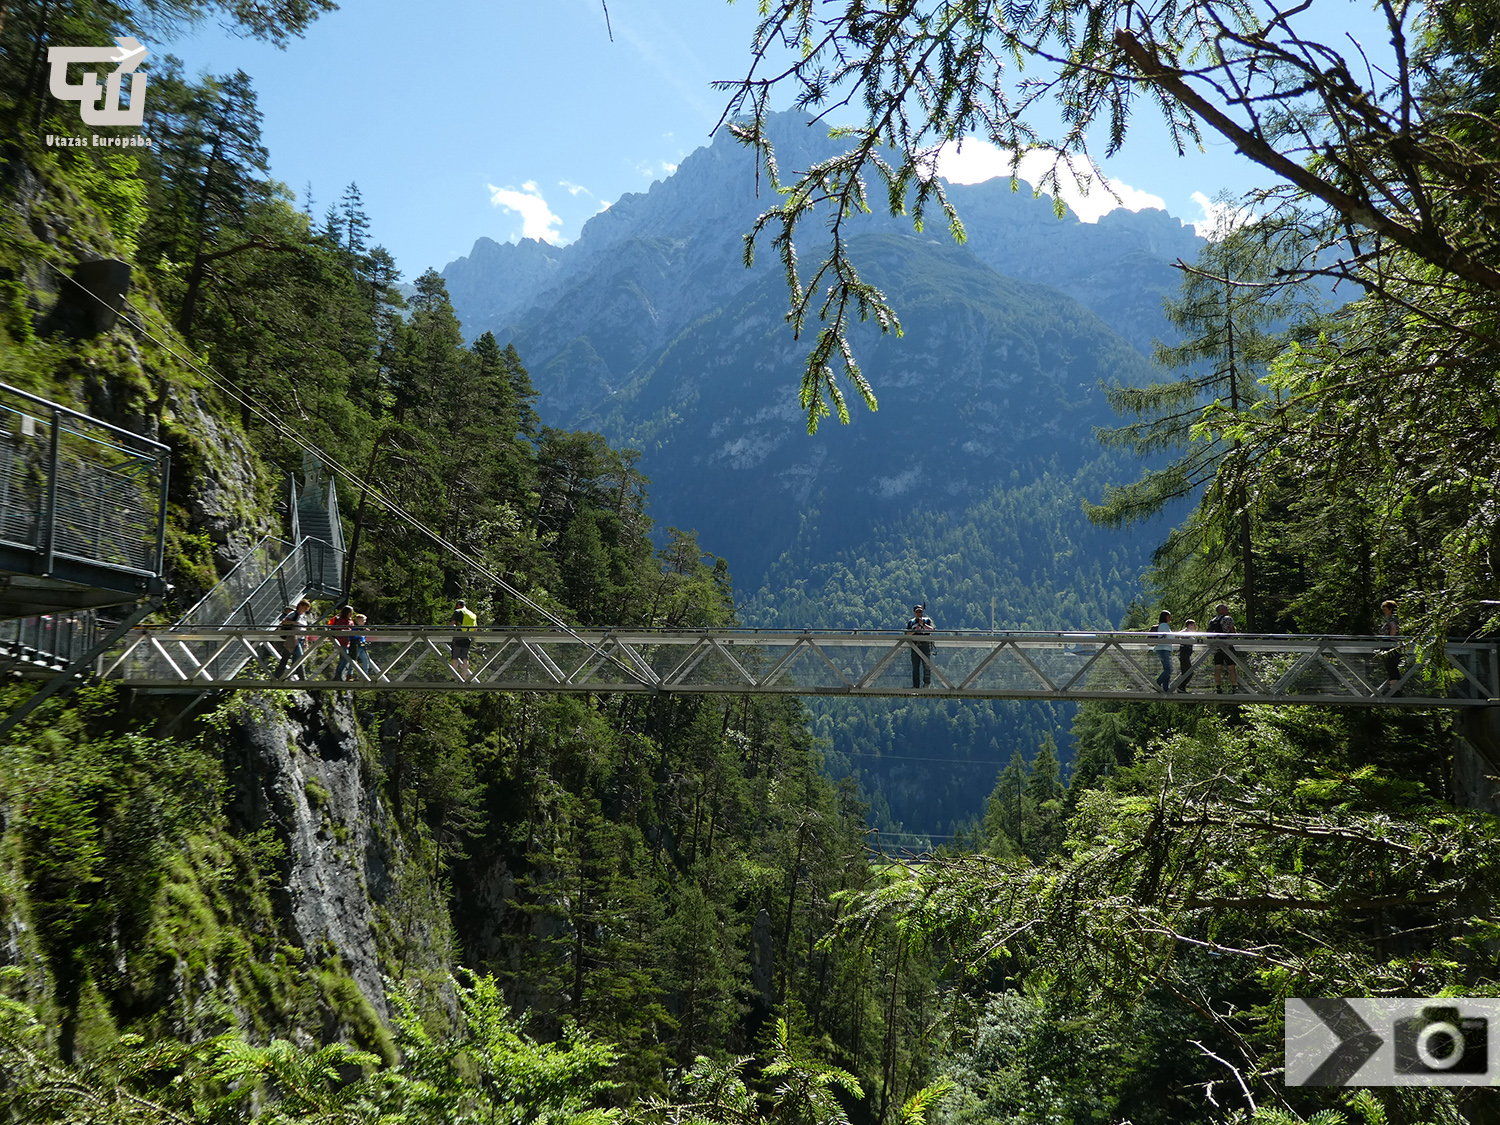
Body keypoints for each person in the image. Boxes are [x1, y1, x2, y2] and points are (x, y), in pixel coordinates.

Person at [276, 598, 312, 679]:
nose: (306, 609)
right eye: (305, 607)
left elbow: (305, 629)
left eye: (307, 608)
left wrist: (306, 641)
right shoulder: (293, 614)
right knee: (299, 658)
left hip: (301, 639)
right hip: (293, 638)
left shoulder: (304, 617)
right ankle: (302, 678)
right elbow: (284, 622)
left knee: (287, 658)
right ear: (300, 606)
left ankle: (280, 675)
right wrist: (294, 622)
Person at [1208, 603, 1239, 693]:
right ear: (1221, 610)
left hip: (1216, 647)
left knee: (1218, 667)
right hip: (1227, 646)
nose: (1228, 610)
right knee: (1231, 667)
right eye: (1226, 609)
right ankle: (1234, 686)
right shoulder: (1228, 619)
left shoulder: (1212, 620)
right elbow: (1232, 631)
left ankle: (1218, 687)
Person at [905, 602, 935, 688]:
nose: (919, 613)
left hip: (925, 644)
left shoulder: (927, 620)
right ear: (914, 612)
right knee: (915, 667)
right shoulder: (911, 622)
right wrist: (915, 630)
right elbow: (907, 634)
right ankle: (916, 685)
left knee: (926, 665)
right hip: (915, 645)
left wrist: (923, 625)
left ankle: (927, 683)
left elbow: (932, 629)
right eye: (917, 612)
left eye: (920, 611)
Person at [449, 598, 478, 680]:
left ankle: (453, 677)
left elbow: (451, 624)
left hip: (458, 636)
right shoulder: (472, 614)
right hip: (467, 637)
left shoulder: (458, 612)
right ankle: (464, 676)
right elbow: (475, 629)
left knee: (455, 657)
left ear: (458, 605)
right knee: (465, 658)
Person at [330, 604, 355, 681]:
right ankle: (338, 674)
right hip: (340, 642)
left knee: (344, 659)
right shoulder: (340, 620)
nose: (351, 614)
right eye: (350, 612)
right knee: (345, 658)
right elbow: (338, 629)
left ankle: (338, 675)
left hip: (348, 642)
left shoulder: (350, 621)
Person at [1380, 599, 1401, 694]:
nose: (1384, 612)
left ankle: (1394, 689)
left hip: (1391, 645)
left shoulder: (1392, 620)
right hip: (1394, 644)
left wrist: (1390, 639)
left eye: (1385, 610)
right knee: (1392, 665)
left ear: (1391, 609)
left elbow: (1393, 628)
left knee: (1390, 665)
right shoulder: (1397, 619)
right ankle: (1395, 688)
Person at [1152, 610, 1174, 691]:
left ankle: (1165, 687)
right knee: (1169, 669)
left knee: (1167, 669)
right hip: (1164, 648)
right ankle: (1158, 683)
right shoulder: (1164, 625)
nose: (1170, 618)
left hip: (1163, 648)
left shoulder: (1162, 625)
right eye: (1169, 617)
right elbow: (1170, 636)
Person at [350, 613, 372, 679]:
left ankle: (365, 674)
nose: (364, 622)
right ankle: (350, 674)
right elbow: (353, 636)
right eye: (363, 620)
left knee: (366, 660)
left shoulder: (362, 628)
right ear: (358, 620)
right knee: (353, 660)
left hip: (362, 645)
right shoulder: (354, 628)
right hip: (356, 646)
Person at [1178, 619, 1197, 692]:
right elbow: (1178, 636)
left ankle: (1181, 687)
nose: (1195, 627)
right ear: (1190, 625)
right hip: (1184, 655)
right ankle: (1180, 687)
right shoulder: (1186, 632)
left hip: (1186, 655)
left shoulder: (1189, 633)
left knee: (1186, 672)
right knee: (1188, 672)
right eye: (1194, 625)